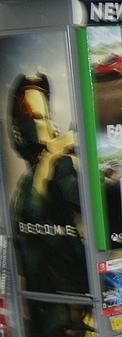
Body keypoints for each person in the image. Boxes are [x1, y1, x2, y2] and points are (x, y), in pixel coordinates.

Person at [7, 73, 88, 296]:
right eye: (28, 113)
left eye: (40, 112)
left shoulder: (65, 165)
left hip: (79, 302)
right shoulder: (25, 190)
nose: (36, 119)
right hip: (49, 308)